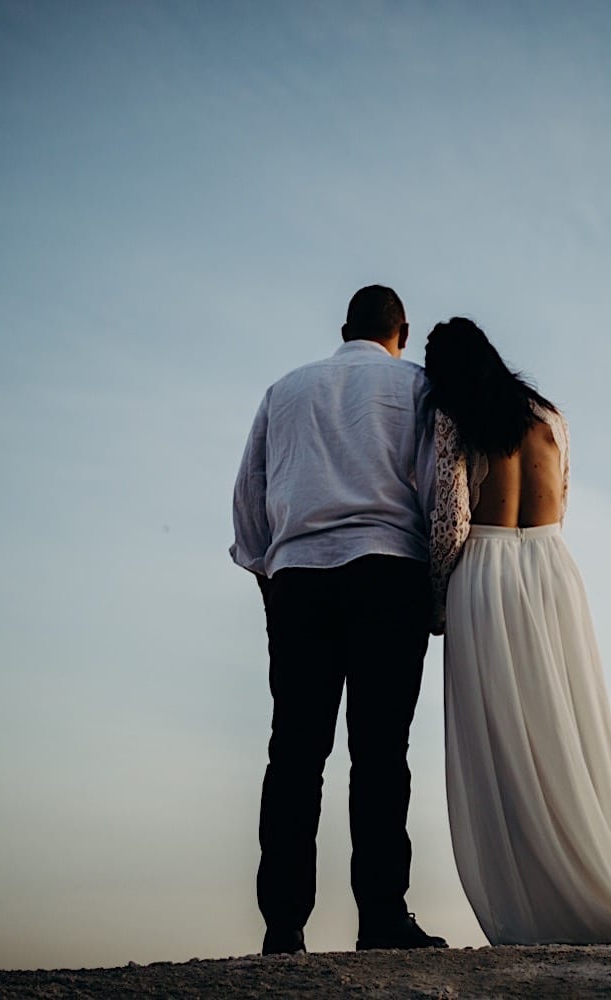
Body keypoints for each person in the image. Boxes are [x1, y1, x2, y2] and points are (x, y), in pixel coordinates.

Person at [425, 317, 611, 946]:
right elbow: (562, 501)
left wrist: (436, 603)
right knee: (560, 728)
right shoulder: (551, 418)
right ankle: (594, 875)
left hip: (486, 573)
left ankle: (532, 900)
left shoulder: (452, 420)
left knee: (501, 744)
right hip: (553, 570)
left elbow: (449, 521)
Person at [231, 285, 448, 955]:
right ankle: (382, 917)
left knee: (295, 752)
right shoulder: (415, 387)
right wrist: (435, 591)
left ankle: (283, 924)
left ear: (343, 327)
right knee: (380, 752)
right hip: (389, 572)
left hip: (299, 577)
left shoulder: (285, 390)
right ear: (402, 331)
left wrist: (276, 572)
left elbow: (248, 501)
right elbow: (438, 489)